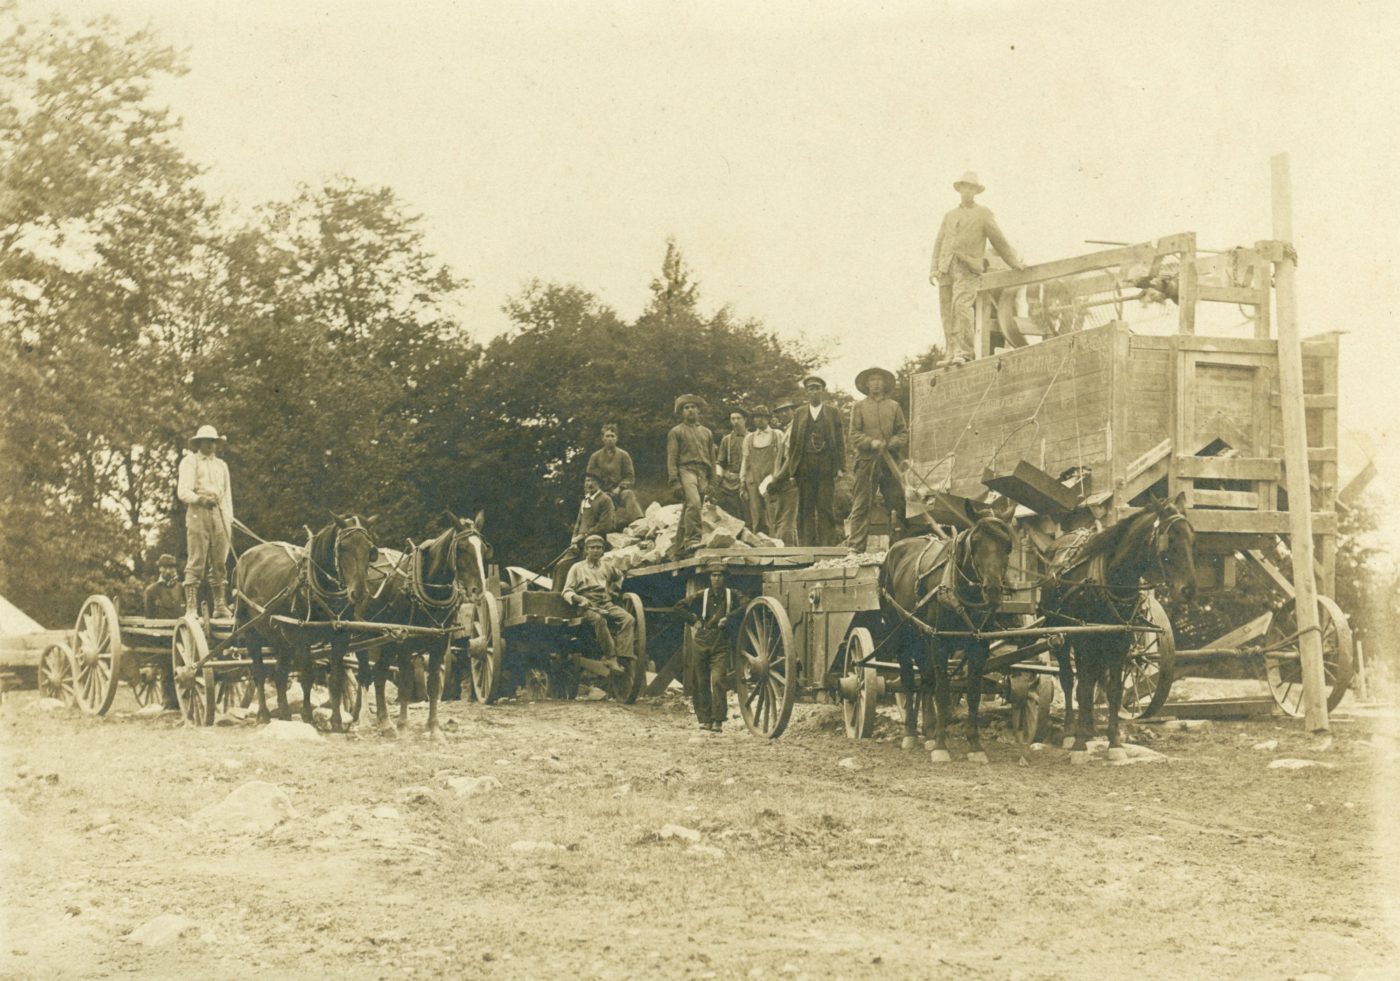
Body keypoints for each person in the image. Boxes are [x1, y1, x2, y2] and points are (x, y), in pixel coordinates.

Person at [929, 171, 1025, 366]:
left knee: (961, 306)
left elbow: (999, 240)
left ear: (976, 191)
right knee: (947, 311)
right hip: (946, 269)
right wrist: (934, 268)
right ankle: (950, 352)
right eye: (964, 187)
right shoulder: (949, 215)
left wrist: (1014, 262)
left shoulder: (983, 214)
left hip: (968, 267)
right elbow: (939, 242)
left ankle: (964, 352)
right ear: (959, 189)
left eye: (971, 188)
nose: (967, 191)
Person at [672, 561, 748, 732]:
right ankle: (704, 719)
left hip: (721, 641)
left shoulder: (732, 595)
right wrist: (694, 621)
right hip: (702, 640)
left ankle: (718, 720)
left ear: (725, 578)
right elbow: (679, 607)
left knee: (718, 680)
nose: (716, 579)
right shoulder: (702, 595)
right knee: (701, 681)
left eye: (720, 576)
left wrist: (729, 618)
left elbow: (746, 604)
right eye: (713, 575)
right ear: (709, 578)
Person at [772, 376, 845, 547]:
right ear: (806, 392)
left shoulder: (833, 412)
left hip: (826, 466)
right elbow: (795, 443)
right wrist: (792, 471)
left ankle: (826, 545)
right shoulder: (800, 413)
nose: (813, 392)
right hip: (805, 467)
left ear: (823, 391)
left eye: (817, 388)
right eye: (810, 389)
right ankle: (807, 545)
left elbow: (840, 441)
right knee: (806, 507)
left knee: (825, 507)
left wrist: (841, 467)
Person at [846, 367, 909, 553]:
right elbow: (854, 434)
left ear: (885, 384)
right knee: (862, 504)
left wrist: (891, 443)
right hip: (867, 462)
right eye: (872, 380)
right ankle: (856, 548)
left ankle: (900, 547)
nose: (875, 383)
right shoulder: (859, 407)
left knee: (897, 503)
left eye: (879, 379)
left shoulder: (894, 406)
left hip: (890, 463)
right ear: (866, 384)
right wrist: (870, 442)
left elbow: (903, 433)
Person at [177, 424, 233, 618]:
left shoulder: (221, 466)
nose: (210, 445)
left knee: (220, 561)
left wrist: (228, 519)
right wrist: (200, 500)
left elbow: (226, 496)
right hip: (198, 511)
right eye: (207, 441)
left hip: (219, 512)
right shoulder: (190, 462)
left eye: (213, 442)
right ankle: (191, 607)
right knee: (197, 558)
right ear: (199, 442)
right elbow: (183, 491)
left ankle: (219, 605)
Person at [561, 534, 635, 666]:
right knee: (598, 619)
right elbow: (566, 591)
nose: (596, 550)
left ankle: (623, 656)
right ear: (586, 550)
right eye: (592, 548)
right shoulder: (577, 568)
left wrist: (613, 591)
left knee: (628, 619)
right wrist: (580, 599)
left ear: (602, 550)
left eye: (599, 548)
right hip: (586, 605)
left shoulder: (607, 566)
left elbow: (619, 576)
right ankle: (610, 656)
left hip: (605, 602)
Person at [666, 394, 716, 558]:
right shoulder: (676, 432)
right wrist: (674, 481)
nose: (690, 411)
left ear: (698, 410)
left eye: (693, 407)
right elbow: (672, 458)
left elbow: (712, 459)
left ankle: (679, 548)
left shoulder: (707, 432)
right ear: (682, 412)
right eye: (686, 408)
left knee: (691, 507)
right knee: (694, 503)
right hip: (686, 470)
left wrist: (712, 480)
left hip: (703, 472)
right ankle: (693, 540)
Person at [552, 474, 616, 592]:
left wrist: (584, 535)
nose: (590, 484)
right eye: (587, 481)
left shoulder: (605, 500)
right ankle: (555, 598)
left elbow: (606, 525)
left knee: (584, 570)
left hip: (595, 543)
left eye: (593, 481)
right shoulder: (585, 500)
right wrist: (574, 540)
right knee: (561, 566)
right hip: (579, 544)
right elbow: (578, 523)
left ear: (599, 483)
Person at [585, 424, 644, 532]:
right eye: (607, 436)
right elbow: (590, 479)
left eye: (612, 436)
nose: (610, 439)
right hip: (601, 493)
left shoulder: (623, 455)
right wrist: (599, 492)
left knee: (629, 494)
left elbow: (629, 476)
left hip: (618, 491)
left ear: (616, 438)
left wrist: (620, 488)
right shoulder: (595, 457)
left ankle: (639, 523)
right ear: (603, 438)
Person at [738, 405, 781, 536]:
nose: (760, 420)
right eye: (757, 417)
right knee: (756, 512)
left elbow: (782, 458)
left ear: (768, 419)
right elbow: (745, 461)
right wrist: (742, 481)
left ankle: (775, 542)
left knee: (772, 512)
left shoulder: (777, 434)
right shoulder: (749, 438)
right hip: (753, 478)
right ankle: (759, 543)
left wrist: (778, 477)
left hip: (770, 478)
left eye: (763, 417)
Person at [768, 400, 800, 545]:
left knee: (786, 518)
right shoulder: (786, 430)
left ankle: (786, 550)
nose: (784, 414)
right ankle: (788, 547)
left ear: (793, 411)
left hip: (789, 479)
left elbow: (791, 457)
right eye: (780, 411)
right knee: (783, 516)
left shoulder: (795, 429)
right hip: (783, 479)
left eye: (787, 410)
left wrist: (777, 479)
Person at [714, 407, 749, 520]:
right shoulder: (726, 440)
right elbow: (720, 462)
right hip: (729, 481)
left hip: (747, 480)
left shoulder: (752, 437)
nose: (736, 422)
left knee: (748, 512)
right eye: (733, 419)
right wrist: (718, 478)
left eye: (738, 418)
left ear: (745, 420)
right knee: (730, 513)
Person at [144, 554, 184, 619]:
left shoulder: (182, 588)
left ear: (175, 569)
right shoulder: (151, 590)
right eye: (165, 567)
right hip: (160, 628)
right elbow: (149, 618)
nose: (168, 571)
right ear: (160, 569)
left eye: (171, 568)